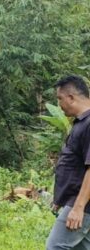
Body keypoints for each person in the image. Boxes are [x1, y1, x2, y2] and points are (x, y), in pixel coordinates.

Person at [47, 75, 90, 250]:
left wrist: (78, 208)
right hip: (75, 201)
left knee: (55, 246)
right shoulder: (82, 123)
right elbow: (75, 167)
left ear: (71, 97)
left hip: (82, 205)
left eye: (60, 99)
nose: (59, 105)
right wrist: (60, 199)